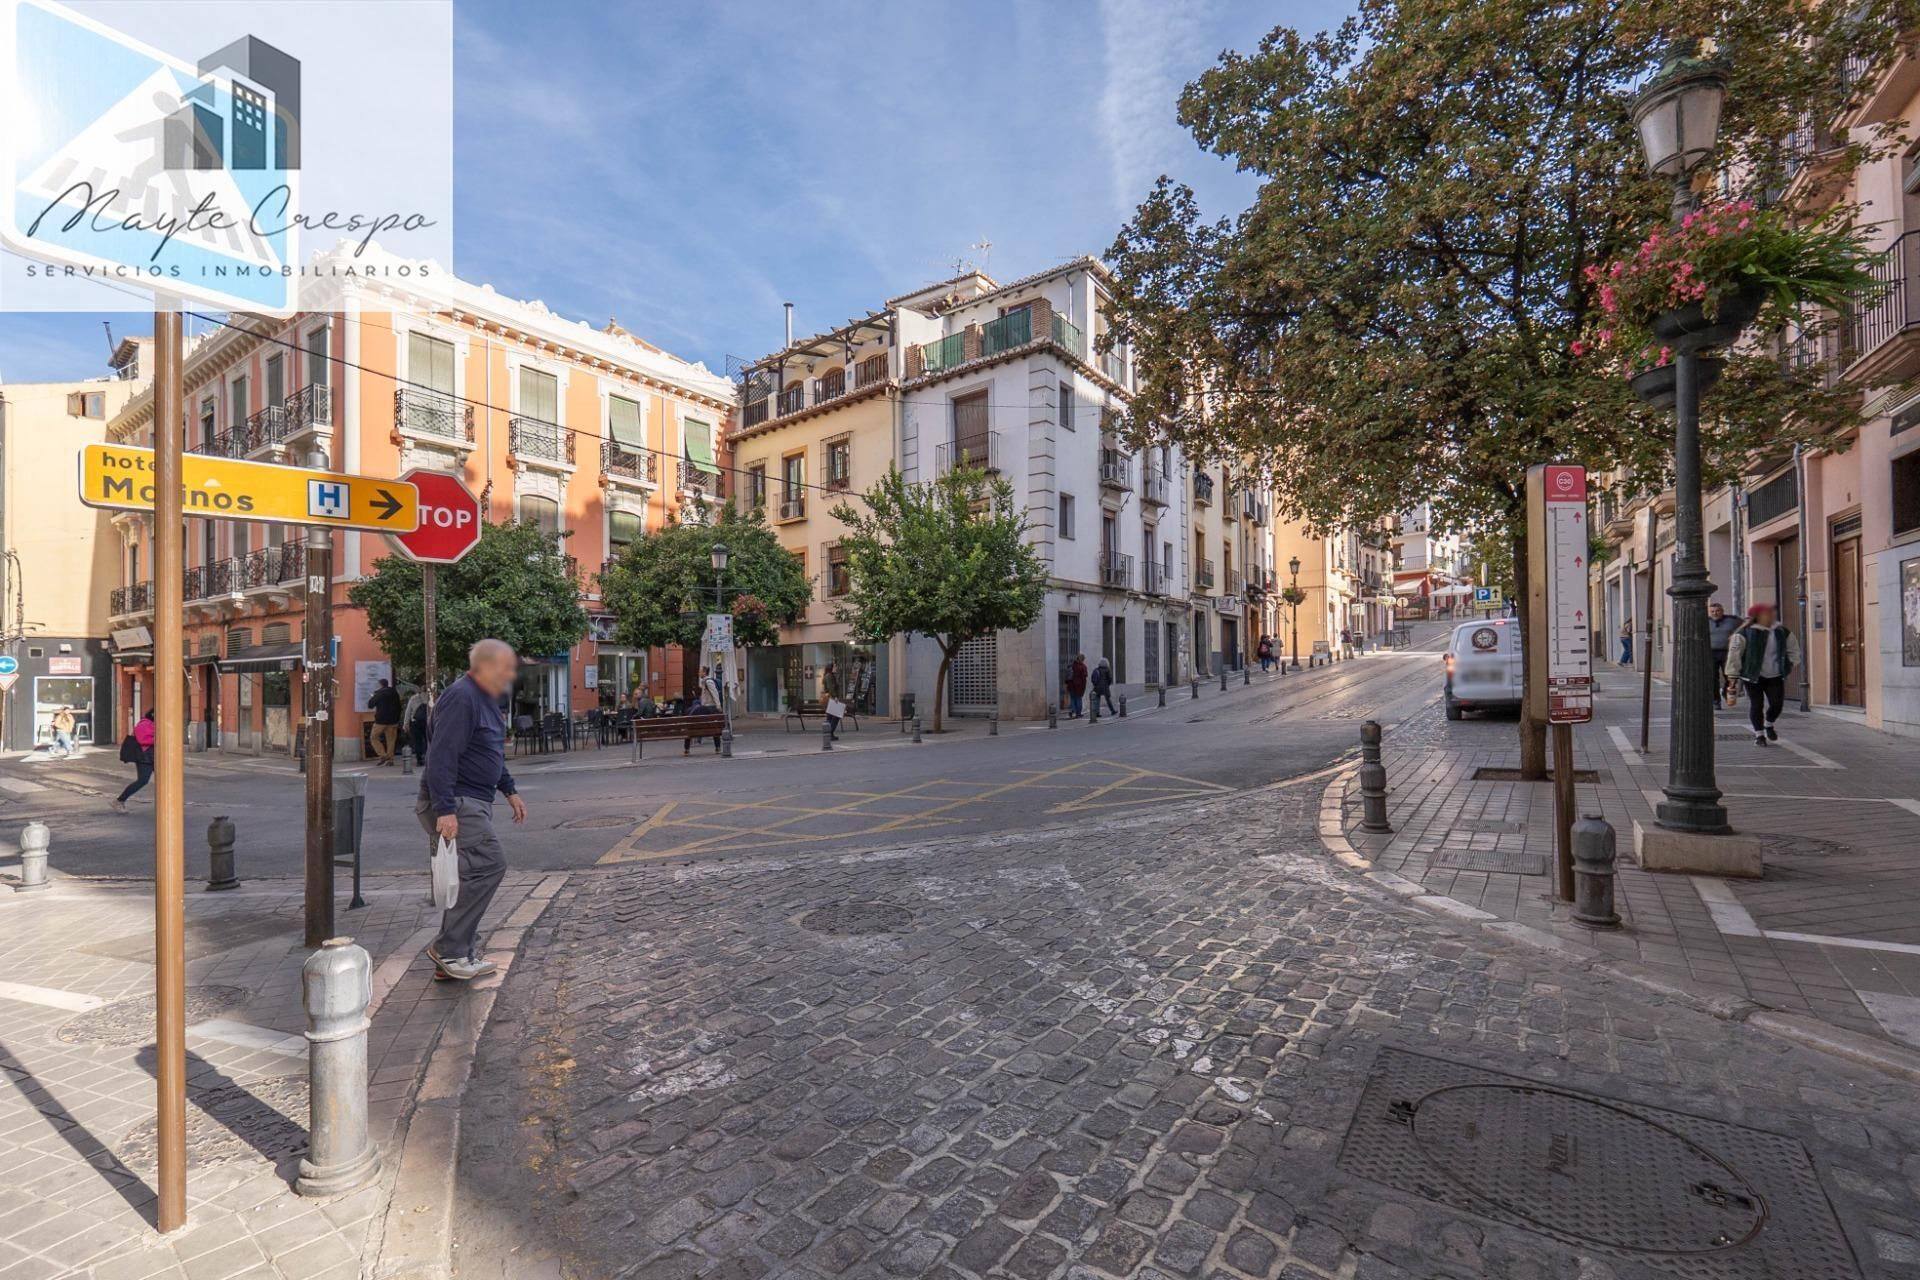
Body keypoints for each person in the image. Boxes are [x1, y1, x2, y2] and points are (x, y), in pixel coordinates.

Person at [415, 639, 526, 982]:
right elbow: (442, 756)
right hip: (458, 801)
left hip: (471, 800)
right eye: (506, 667)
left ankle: (454, 956)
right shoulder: (462, 697)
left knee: (468, 876)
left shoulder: (485, 700)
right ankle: (450, 948)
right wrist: (445, 809)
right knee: (488, 867)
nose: (510, 675)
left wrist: (508, 789)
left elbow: (489, 750)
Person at [1725, 603, 1801, 747]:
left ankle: (1769, 724)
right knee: (1756, 704)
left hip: (1775, 674)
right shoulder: (1743, 633)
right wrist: (1732, 675)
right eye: (1768, 613)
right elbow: (1734, 654)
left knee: (1777, 704)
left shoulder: (1781, 631)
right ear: (1758, 616)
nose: (1771, 616)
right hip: (1752, 675)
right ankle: (1759, 735)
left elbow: (1794, 649)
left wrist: (1789, 664)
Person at [111, 710, 156, 811]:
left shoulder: (154, 724)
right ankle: (119, 801)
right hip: (145, 756)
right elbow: (143, 740)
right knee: (143, 780)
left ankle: (168, 802)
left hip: (153, 756)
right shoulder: (144, 724)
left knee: (167, 779)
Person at [1707, 602, 1739, 709]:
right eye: (1712, 611)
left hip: (1728, 652)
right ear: (1709, 612)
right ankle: (1715, 701)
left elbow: (1744, 628)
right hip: (1711, 652)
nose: (1715, 613)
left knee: (1730, 675)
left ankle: (1726, 692)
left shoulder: (1732, 621)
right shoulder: (1705, 622)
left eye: (1717, 611)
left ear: (1722, 611)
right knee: (1712, 678)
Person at [368, 678, 403, 766]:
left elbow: (370, 705)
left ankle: (383, 755)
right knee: (391, 740)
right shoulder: (394, 693)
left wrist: (372, 696)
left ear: (380, 685)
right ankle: (390, 760)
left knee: (373, 738)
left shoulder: (379, 693)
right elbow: (399, 706)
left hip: (381, 720)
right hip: (393, 721)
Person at [405, 685, 431, 763]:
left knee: (417, 741)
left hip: (416, 722)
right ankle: (427, 757)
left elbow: (408, 711)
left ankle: (419, 758)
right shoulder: (431, 697)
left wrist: (406, 723)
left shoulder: (414, 698)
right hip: (428, 722)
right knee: (428, 740)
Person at [1066, 654, 1088, 719]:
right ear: (1082, 659)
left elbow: (1067, 677)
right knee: (1078, 699)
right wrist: (1084, 687)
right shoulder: (1083, 667)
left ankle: (1073, 711)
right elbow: (1084, 678)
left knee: (1073, 699)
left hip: (1071, 685)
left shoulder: (1071, 665)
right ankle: (1078, 713)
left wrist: (1067, 685)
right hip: (1079, 685)